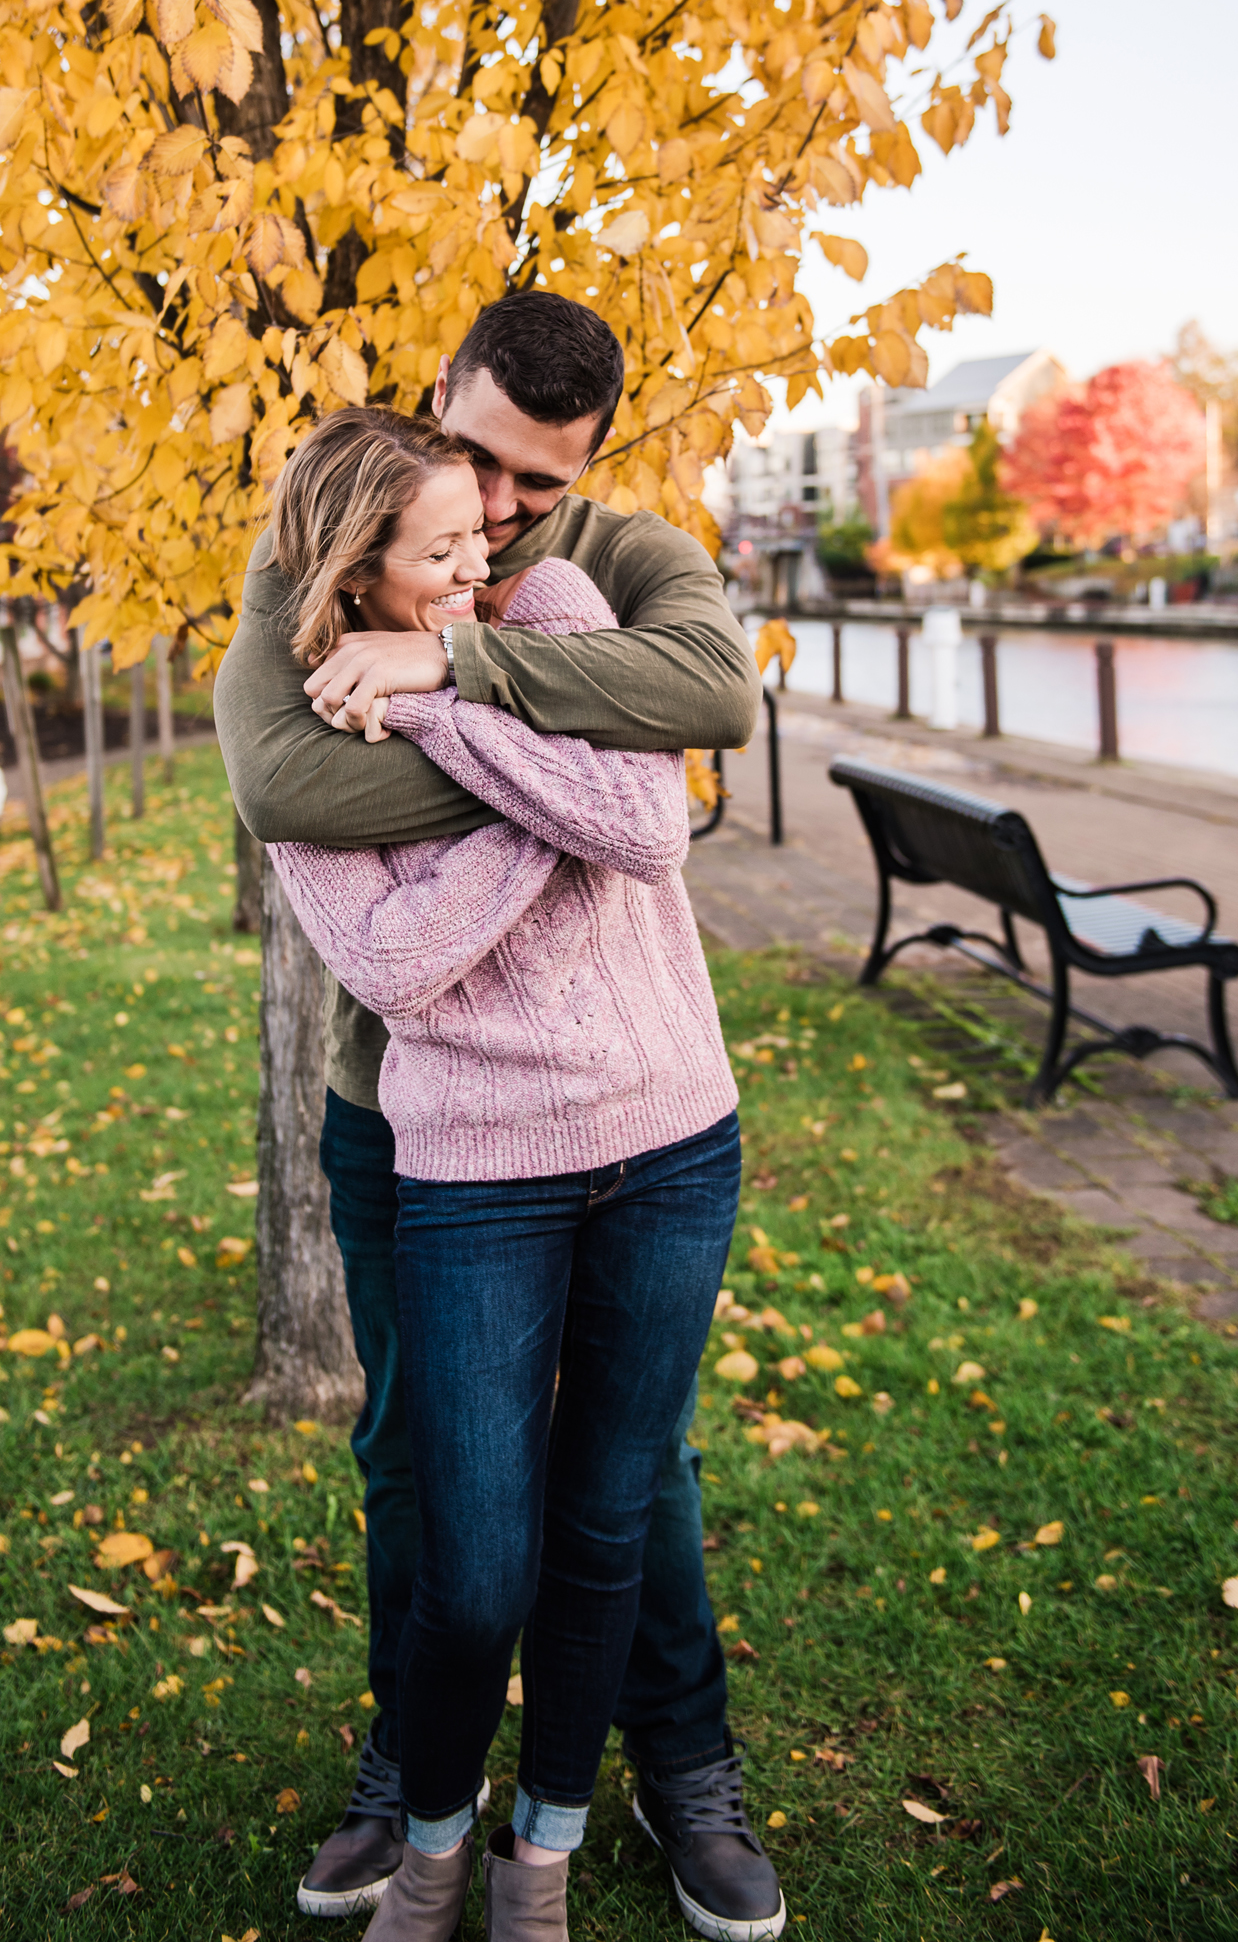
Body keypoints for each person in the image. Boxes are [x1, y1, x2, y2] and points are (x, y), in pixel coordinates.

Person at [214, 295, 784, 1940]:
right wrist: (572, 741)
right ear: (436, 396)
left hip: (643, 1111)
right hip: (407, 1119)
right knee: (428, 1473)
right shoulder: (313, 548)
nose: (501, 509)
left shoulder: (607, 555)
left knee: (631, 1482)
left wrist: (455, 671)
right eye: (474, 461)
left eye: (538, 479)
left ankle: (674, 1771)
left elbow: (705, 727)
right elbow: (289, 787)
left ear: (588, 457)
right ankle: (410, 1779)